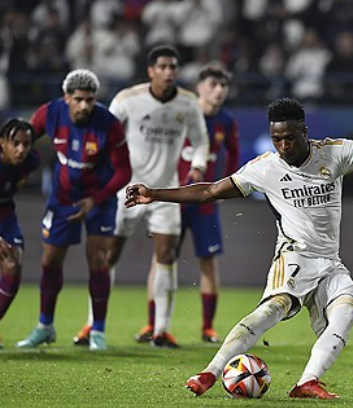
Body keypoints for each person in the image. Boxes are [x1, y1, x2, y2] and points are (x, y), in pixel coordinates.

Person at [124, 97, 353, 398]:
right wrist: (153, 193)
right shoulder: (265, 168)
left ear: (305, 132)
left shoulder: (335, 153)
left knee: (348, 308)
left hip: (330, 262)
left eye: (290, 138)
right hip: (293, 256)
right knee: (272, 310)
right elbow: (210, 191)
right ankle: (210, 372)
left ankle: (307, 381)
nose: (284, 146)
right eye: (277, 139)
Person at [73, 45, 209, 348]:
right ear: (150, 71)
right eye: (162, 67)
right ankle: (92, 324)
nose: (169, 72)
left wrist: (198, 166)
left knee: (166, 256)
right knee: (108, 256)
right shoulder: (127, 100)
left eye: (173, 67)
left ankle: (161, 330)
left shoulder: (188, 103)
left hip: (165, 192)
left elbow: (201, 141)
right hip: (126, 190)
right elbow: (103, 134)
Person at [17, 69, 132, 351]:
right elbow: (24, 140)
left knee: (99, 260)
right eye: (79, 99)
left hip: (99, 198)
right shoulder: (50, 113)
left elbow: (124, 171)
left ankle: (98, 331)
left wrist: (97, 198)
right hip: (63, 197)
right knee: (50, 259)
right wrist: (21, 170)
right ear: (66, 97)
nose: (84, 106)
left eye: (90, 100)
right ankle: (45, 326)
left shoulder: (109, 124)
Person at [176, 66, 239, 343]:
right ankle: (155, 325)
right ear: (199, 87)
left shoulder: (226, 121)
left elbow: (234, 155)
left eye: (223, 85)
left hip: (205, 202)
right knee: (163, 261)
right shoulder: (182, 113)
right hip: (175, 199)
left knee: (209, 263)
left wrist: (228, 187)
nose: (219, 90)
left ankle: (207, 327)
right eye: (214, 84)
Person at [0, 119, 40, 349]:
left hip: (6, 215)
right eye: (15, 143)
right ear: (2, 142)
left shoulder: (30, 161)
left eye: (26, 144)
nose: (21, 149)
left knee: (13, 265)